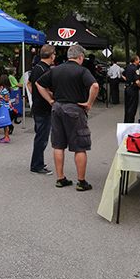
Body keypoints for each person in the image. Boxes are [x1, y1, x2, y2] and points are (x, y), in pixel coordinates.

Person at [36, 44, 98, 191]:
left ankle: (60, 178)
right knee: (80, 146)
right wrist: (89, 103)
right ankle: (81, 182)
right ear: (81, 56)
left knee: (58, 145)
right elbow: (94, 86)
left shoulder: (55, 69)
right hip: (75, 109)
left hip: (57, 108)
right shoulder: (83, 71)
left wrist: (50, 100)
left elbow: (39, 83)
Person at [28, 44, 56, 174]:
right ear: (52, 55)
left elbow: (28, 83)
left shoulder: (36, 68)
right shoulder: (46, 70)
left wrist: (34, 94)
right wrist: (52, 96)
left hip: (37, 106)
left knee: (40, 135)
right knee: (42, 137)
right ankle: (37, 165)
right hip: (44, 108)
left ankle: (38, 162)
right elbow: (48, 89)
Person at [123, 55, 140, 123]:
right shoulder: (135, 69)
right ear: (135, 60)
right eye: (138, 59)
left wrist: (128, 80)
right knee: (132, 106)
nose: (139, 61)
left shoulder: (128, 67)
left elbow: (123, 74)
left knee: (127, 106)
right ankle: (130, 122)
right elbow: (137, 81)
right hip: (133, 89)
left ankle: (126, 121)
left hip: (127, 87)